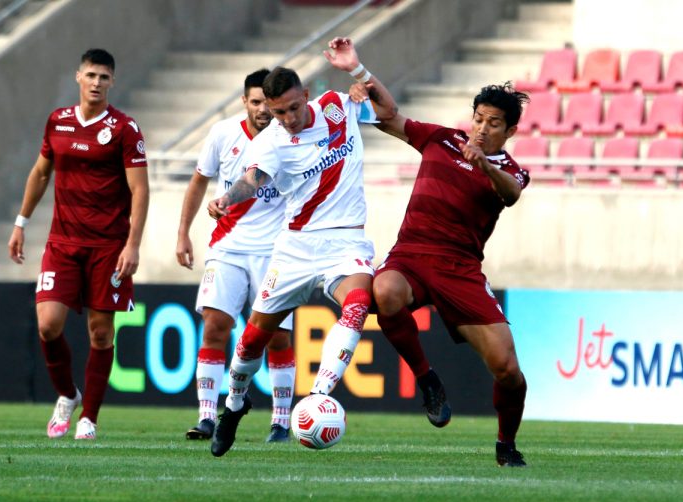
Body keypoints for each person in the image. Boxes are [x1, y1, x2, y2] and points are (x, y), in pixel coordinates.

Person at [339, 36, 531, 467]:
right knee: (383, 292)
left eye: (494, 123)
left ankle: (506, 444)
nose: (482, 128)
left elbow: (513, 193)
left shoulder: (510, 171)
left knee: (508, 370)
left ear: (510, 130)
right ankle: (427, 380)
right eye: (479, 119)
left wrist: (484, 164)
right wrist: (358, 72)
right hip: (411, 255)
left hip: (460, 270)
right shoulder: (441, 139)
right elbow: (388, 117)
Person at [207, 51, 392, 457]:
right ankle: (234, 406)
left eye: (293, 108)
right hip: (295, 247)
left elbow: (389, 110)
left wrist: (361, 74)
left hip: (346, 241)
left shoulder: (338, 106)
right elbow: (252, 178)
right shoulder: (271, 141)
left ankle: (319, 396)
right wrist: (227, 197)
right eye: (278, 112)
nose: (288, 118)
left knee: (359, 302)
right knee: (252, 340)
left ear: (306, 95)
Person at [7, 48, 149, 440]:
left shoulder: (125, 129)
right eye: (91, 75)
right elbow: (40, 173)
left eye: (104, 77)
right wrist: (21, 223)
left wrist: (132, 245)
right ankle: (68, 395)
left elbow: (140, 191)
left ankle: (89, 417)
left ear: (112, 82)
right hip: (63, 242)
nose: (97, 83)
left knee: (101, 333)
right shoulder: (58, 122)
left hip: (108, 246)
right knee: (49, 326)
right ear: (78, 77)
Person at [176, 68, 296, 443]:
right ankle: (207, 416)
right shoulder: (222, 133)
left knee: (276, 337)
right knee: (215, 327)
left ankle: (280, 421)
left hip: (275, 252)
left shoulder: (290, 139)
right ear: (244, 101)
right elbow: (199, 180)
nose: (262, 109)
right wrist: (183, 232)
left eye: (267, 103)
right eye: (255, 101)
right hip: (226, 248)